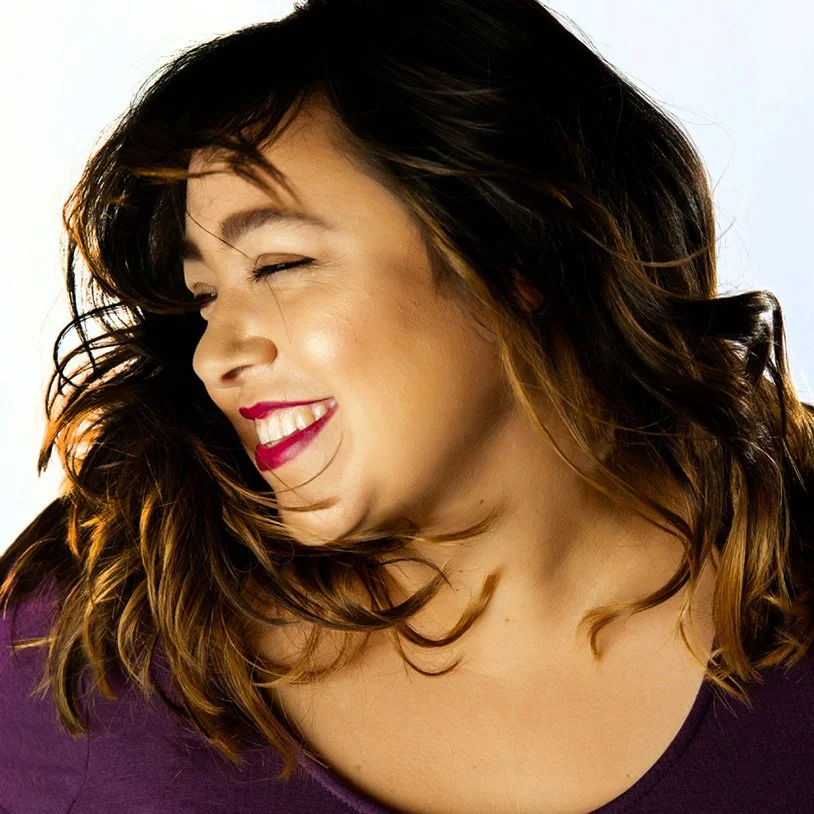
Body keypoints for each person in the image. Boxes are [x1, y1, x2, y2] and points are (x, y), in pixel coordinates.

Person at [2, 0, 813, 811]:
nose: (213, 358)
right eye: (205, 296)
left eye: (279, 266)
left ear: (521, 248)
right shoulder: (79, 659)